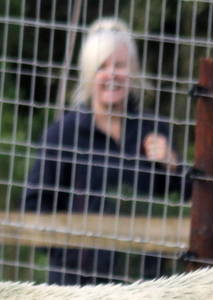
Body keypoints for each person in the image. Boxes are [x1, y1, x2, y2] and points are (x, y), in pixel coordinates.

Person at [22, 17, 187, 285]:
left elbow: (184, 198)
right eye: (102, 67)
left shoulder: (154, 129)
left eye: (119, 65)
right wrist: (66, 256)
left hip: (145, 284)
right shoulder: (64, 133)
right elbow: (34, 205)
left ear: (133, 71)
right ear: (89, 75)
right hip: (79, 287)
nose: (112, 75)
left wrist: (173, 165)